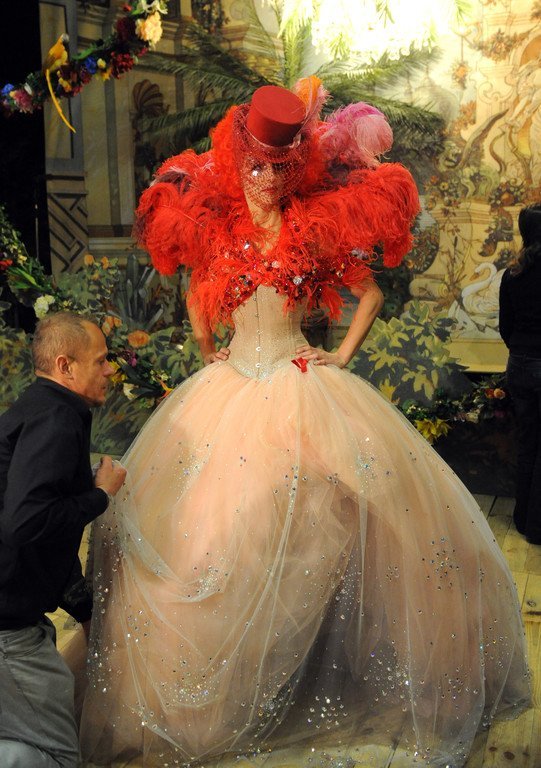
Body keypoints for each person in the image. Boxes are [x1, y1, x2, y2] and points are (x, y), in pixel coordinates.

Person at [79, 82, 530, 767]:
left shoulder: (310, 229)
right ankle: (232, 685)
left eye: (277, 169)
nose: (265, 180)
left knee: (340, 521)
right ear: (238, 166)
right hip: (230, 389)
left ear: (293, 170)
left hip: (299, 385)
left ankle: (317, 662)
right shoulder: (221, 230)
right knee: (219, 537)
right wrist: (208, 350)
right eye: (255, 168)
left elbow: (368, 292)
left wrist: (339, 355)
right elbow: (197, 295)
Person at [0, 312, 127, 768]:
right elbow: (26, 522)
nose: (110, 370)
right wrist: (100, 496)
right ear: (65, 365)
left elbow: (42, 533)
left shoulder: (40, 407)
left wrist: (84, 609)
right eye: (101, 360)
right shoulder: (56, 418)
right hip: (8, 629)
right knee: (57, 757)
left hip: (15, 619)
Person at [499, 204, 541, 543]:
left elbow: (506, 326)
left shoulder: (512, 274)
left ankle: (523, 518)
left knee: (528, 442)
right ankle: (537, 527)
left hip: (519, 365)